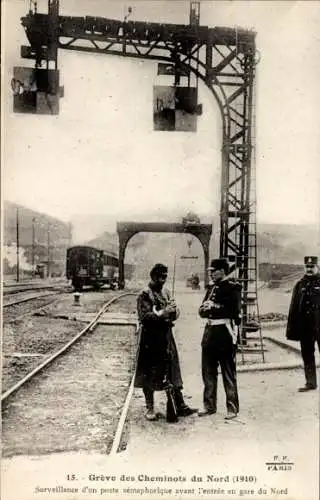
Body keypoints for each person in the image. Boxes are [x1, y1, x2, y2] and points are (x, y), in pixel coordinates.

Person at [134, 263, 197, 421]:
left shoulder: (167, 292)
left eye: (165, 277)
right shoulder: (144, 294)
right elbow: (144, 317)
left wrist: (174, 311)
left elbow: (175, 314)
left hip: (167, 337)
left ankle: (179, 404)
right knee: (149, 374)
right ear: (153, 276)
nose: (163, 280)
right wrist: (163, 313)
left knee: (172, 371)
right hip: (150, 339)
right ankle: (149, 407)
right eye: (160, 277)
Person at [198, 258, 242, 419]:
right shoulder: (211, 288)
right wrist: (204, 308)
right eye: (210, 271)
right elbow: (201, 311)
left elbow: (234, 312)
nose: (210, 273)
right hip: (209, 335)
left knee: (228, 372)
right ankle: (209, 405)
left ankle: (232, 408)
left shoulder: (233, 288)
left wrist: (214, 307)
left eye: (214, 271)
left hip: (225, 334)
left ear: (223, 271)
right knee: (208, 372)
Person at [286, 256, 320, 392]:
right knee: (307, 355)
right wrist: (293, 329)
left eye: (312, 267)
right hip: (306, 328)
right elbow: (293, 307)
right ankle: (311, 383)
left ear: (317, 267)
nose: (309, 269)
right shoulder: (300, 284)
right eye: (307, 267)